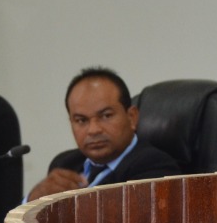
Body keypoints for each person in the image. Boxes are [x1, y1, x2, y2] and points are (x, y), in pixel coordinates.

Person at [27, 67, 181, 200]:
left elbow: (121, 221)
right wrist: (33, 200)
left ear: (132, 117)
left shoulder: (155, 168)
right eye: (81, 120)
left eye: (106, 116)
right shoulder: (65, 163)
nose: (93, 130)